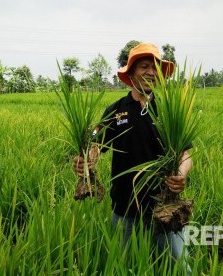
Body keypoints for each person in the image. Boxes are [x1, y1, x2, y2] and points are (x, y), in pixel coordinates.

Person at [72, 42, 192, 274]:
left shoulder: (168, 110)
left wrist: (180, 173)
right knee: (125, 267)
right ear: (131, 73)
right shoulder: (115, 111)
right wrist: (86, 160)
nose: (150, 72)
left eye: (155, 68)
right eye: (144, 66)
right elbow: (96, 143)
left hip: (165, 206)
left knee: (178, 267)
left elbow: (185, 154)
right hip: (124, 208)